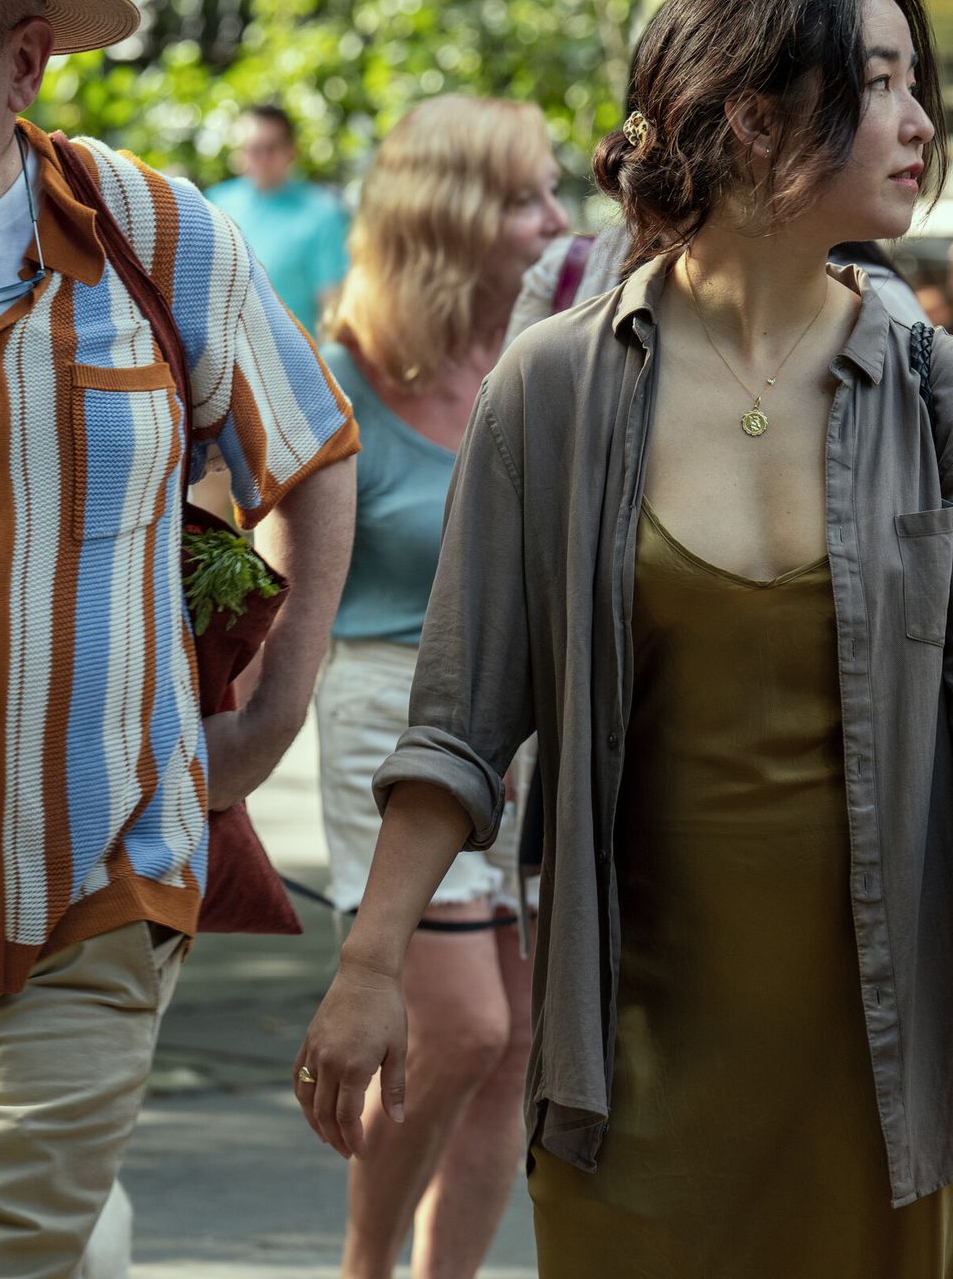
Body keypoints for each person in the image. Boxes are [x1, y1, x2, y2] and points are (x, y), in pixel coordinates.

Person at [295, 0, 953, 1277]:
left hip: (893, 1046)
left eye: (920, 88)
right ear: (756, 120)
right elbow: (458, 718)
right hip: (630, 1044)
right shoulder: (553, 389)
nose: (921, 126)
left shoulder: (943, 390)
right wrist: (372, 960)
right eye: (885, 83)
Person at [0, 0, 358, 1275]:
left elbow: (312, 453)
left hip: (94, 891)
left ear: (26, 60)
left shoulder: (157, 238)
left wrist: (272, 714)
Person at [314, 96, 570, 1279]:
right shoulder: (340, 377)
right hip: (390, 709)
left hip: (522, 718)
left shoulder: (536, 353)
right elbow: (271, 595)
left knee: (519, 1041)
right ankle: (366, 1271)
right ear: (455, 217)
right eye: (527, 199)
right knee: (460, 1024)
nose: (555, 221)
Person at [206, 101, 353, 335]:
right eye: (253, 149)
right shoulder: (215, 203)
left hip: (295, 361)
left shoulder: (322, 213)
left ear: (291, 150)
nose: (262, 158)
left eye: (271, 148)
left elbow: (332, 307)